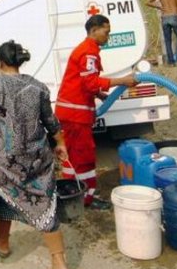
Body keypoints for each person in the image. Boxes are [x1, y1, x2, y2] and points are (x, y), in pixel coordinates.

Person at [0, 40, 71, 269]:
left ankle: (2, 244)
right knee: (45, 205)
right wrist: (61, 144)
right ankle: (58, 263)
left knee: (3, 195)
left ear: (0, 62)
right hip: (38, 160)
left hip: (6, 162)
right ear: (19, 61)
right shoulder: (38, 87)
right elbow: (51, 122)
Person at [54, 14, 137, 209]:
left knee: (74, 156)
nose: (108, 37)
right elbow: (89, 81)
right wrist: (123, 80)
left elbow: (85, 83)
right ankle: (84, 199)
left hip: (72, 114)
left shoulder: (87, 50)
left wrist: (98, 94)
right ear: (94, 30)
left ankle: (76, 195)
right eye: (106, 32)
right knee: (83, 157)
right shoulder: (88, 52)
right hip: (75, 116)